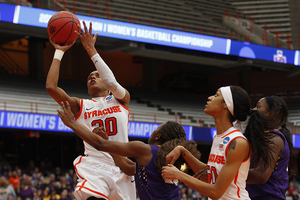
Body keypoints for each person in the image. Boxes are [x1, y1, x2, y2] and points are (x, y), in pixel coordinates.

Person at [45, 21, 136, 200]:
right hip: (95, 164)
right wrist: (59, 51)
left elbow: (112, 82)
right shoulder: (82, 105)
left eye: (97, 75)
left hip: (121, 165)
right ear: (87, 88)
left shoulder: (120, 98)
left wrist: (91, 50)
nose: (92, 78)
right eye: (89, 77)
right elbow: (51, 87)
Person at [57, 100, 201, 200]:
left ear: (158, 135)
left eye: (156, 128)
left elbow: (99, 144)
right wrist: (109, 142)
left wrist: (72, 124)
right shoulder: (166, 156)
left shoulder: (145, 150)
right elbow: (129, 168)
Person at [161, 85, 252, 199]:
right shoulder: (220, 137)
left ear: (226, 104)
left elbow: (215, 192)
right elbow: (209, 175)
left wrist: (179, 175)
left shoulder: (237, 142)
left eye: (216, 95)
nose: (210, 98)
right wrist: (182, 151)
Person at [245, 96, 297, 200]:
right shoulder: (262, 137)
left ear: (272, 113)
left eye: (258, 106)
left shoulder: (274, 139)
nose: (253, 110)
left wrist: (228, 172)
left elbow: (261, 175)